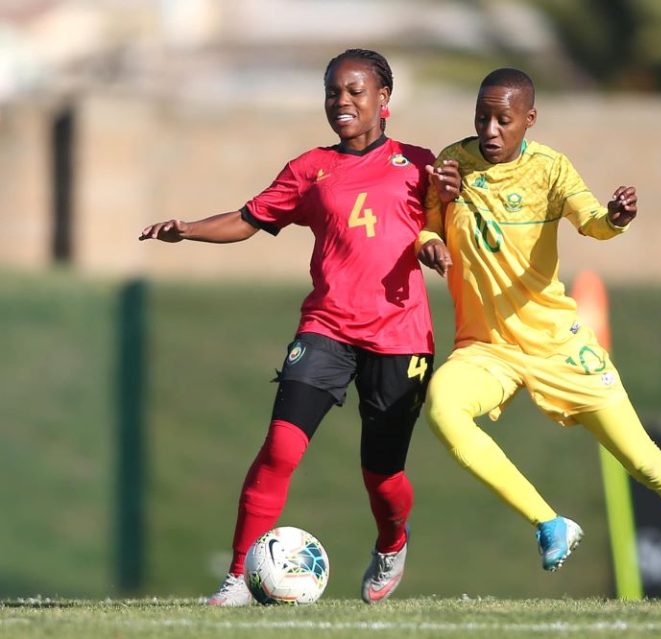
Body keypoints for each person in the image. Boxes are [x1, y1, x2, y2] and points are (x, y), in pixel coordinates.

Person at [416, 68, 661, 604]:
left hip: (559, 346)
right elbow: (429, 226)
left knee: (645, 462)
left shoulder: (551, 169)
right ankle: (548, 522)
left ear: (529, 120)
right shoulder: (452, 164)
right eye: (482, 117)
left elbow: (592, 221)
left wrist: (616, 217)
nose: (489, 130)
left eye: (503, 120)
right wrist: (430, 241)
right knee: (443, 407)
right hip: (487, 349)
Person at [140, 49, 461, 606]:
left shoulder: (420, 164)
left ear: (384, 98)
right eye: (333, 91)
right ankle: (238, 577)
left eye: (355, 91)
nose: (342, 101)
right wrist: (187, 229)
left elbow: (452, 224)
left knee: (382, 475)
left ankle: (392, 541)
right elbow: (248, 219)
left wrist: (451, 205)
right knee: (280, 449)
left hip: (401, 336)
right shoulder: (310, 169)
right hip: (327, 328)